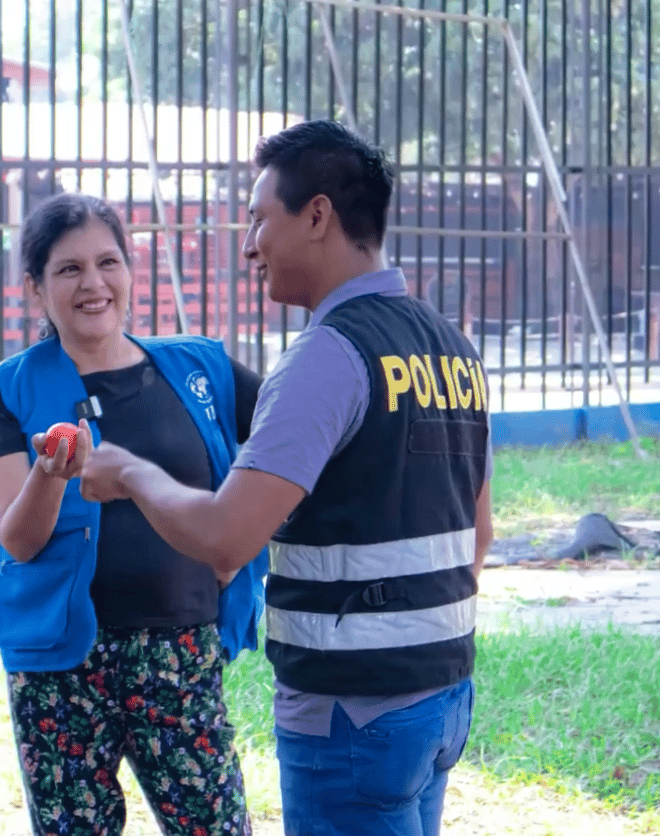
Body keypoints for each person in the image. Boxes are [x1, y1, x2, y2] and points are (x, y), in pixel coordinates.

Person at [80, 120, 494, 836]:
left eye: (257, 219)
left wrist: (130, 473)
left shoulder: (327, 357)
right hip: (441, 698)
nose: (248, 246)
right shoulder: (451, 348)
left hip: (351, 715)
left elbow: (224, 538)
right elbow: (478, 536)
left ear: (318, 215)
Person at [0, 192, 269, 836]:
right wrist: (51, 475)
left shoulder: (200, 370)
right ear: (35, 288)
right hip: (58, 667)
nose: (93, 283)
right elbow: (18, 541)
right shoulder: (9, 388)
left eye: (108, 262)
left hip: (179, 651)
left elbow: (294, 438)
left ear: (131, 271)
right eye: (68, 269)